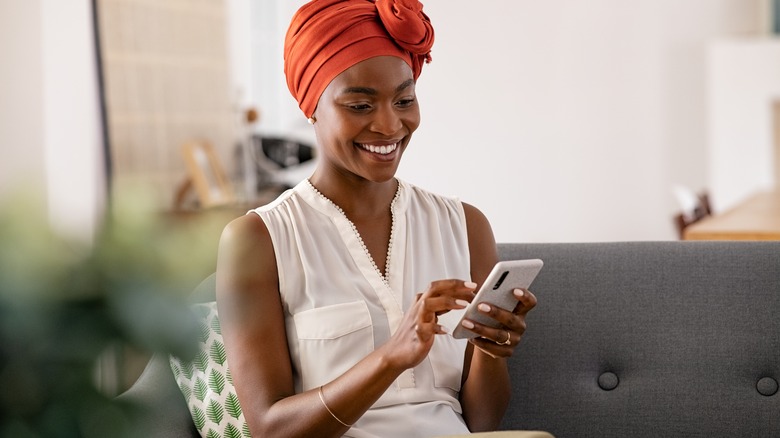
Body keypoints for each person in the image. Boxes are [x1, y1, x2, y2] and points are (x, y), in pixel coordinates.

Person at [215, 1, 537, 436]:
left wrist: (492, 351)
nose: (389, 126)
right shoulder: (259, 239)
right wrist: (391, 357)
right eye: (360, 106)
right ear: (311, 107)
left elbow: (481, 422)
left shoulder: (465, 226)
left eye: (404, 100)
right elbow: (271, 429)